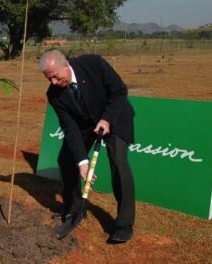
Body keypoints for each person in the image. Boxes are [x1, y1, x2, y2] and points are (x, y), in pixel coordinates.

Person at [39, 50, 136, 243]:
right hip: (84, 124)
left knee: (117, 159)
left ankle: (124, 224)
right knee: (67, 159)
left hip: (115, 114)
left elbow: (119, 91)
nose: (54, 83)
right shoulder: (54, 94)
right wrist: (82, 162)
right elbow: (70, 128)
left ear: (65, 65)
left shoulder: (93, 64)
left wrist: (107, 119)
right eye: (49, 78)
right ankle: (75, 209)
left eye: (56, 76)